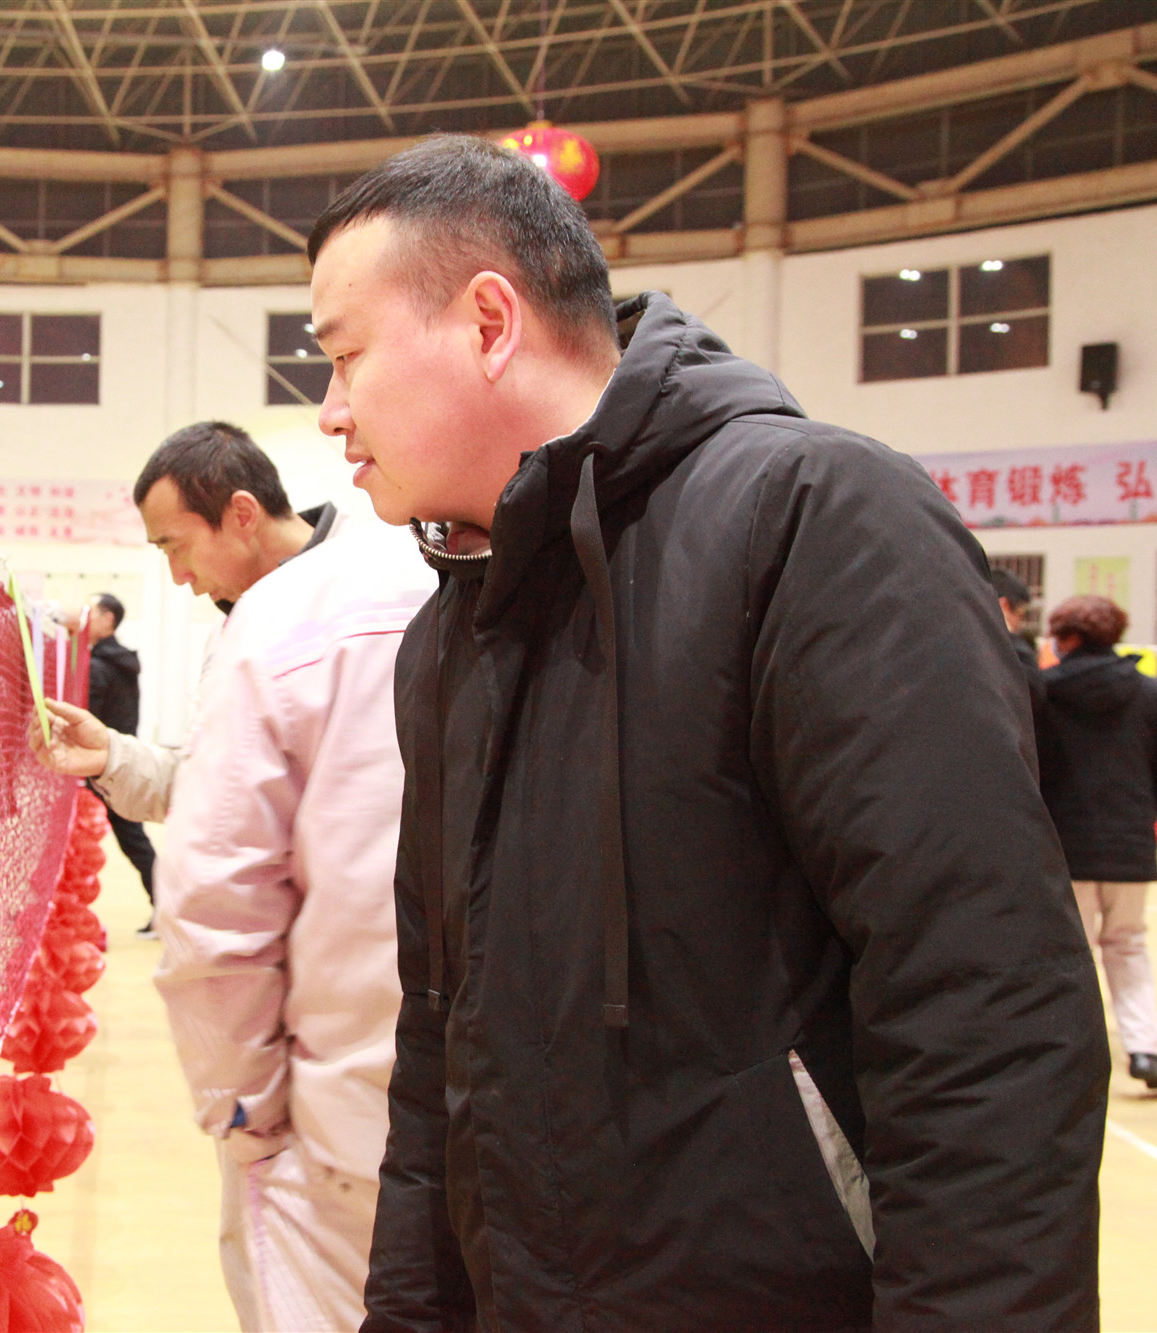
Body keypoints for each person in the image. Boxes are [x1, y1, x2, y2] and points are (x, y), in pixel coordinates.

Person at [307, 136, 1108, 1331]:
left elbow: (985, 1015)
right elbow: (440, 1051)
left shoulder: (812, 522)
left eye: (343, 357)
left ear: (486, 323)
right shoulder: (448, 636)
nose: (329, 413)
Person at [32, 422, 434, 1331]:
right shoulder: (289, 611)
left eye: (176, 546)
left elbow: (220, 887)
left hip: (336, 1070)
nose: (177, 576)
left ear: (242, 514)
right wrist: (116, 758)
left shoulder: (340, 608)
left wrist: (242, 1101)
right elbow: (226, 796)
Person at [1038, 594, 1157, 1092]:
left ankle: (1072, 1056)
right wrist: (1140, 814)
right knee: (1128, 944)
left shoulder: (1046, 690)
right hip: (1129, 842)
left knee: (1071, 952)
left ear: (1068, 637)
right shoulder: (1151, 691)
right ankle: (1144, 1050)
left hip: (1065, 842)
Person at [82, 591, 159, 935]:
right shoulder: (121, 663)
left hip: (100, 768)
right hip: (119, 762)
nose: (84, 619)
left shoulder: (99, 666)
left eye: (90, 612)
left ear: (108, 619)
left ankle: (168, 911)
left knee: (131, 842)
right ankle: (167, 910)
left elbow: (90, 721)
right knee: (135, 842)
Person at [992, 567, 1047, 709]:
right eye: (1020, 615)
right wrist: (1007, 634)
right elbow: (1033, 690)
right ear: (1003, 606)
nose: (1019, 625)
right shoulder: (1001, 649)